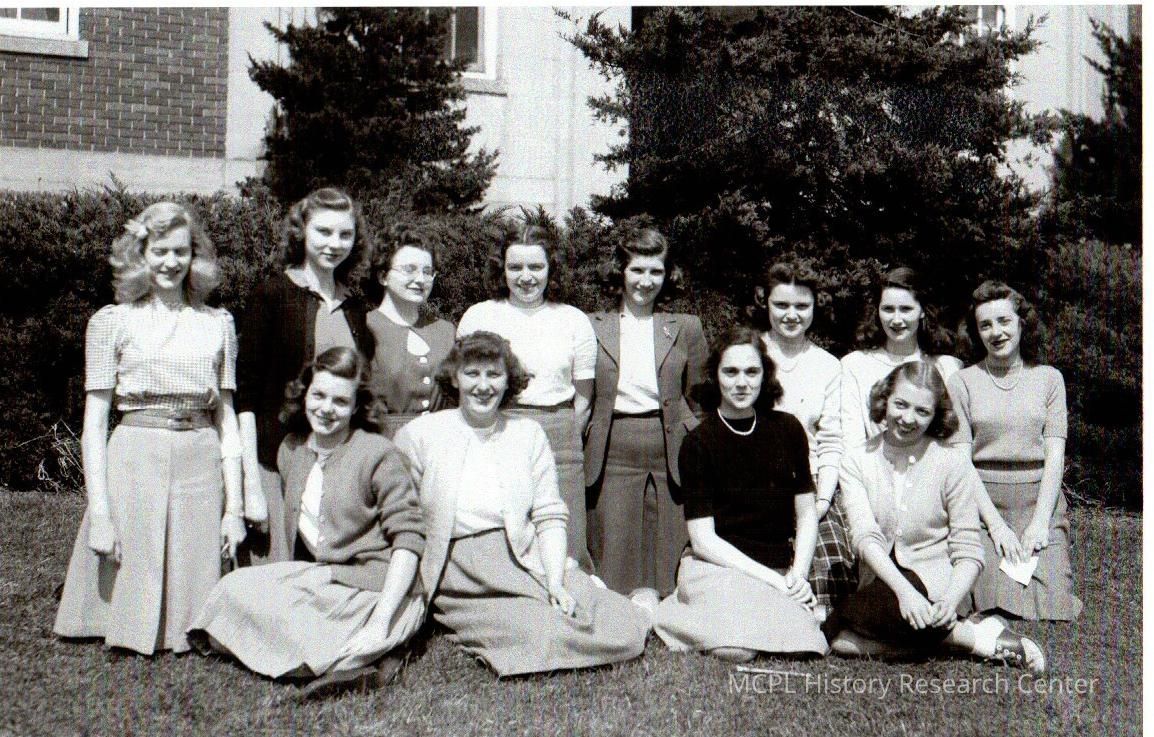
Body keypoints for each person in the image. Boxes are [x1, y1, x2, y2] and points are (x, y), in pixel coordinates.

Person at [393, 332, 649, 677]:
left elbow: (549, 515)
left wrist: (555, 581)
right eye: (472, 373)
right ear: (454, 377)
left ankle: (630, 610)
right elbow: (404, 523)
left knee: (608, 618)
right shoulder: (420, 434)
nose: (483, 386)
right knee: (540, 633)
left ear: (508, 380)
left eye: (494, 374)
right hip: (463, 572)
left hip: (525, 554)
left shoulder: (527, 433)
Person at [54, 202, 246, 654]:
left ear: (195, 256)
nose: (170, 262)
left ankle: (189, 626)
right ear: (140, 255)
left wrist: (234, 508)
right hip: (135, 455)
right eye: (160, 251)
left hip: (200, 452)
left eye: (181, 251)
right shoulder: (112, 322)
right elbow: (94, 424)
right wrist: (101, 513)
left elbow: (227, 417)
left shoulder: (218, 324)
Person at [191, 347, 425, 698]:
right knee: (232, 588)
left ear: (355, 407)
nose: (326, 409)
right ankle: (352, 657)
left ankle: (373, 649)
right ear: (304, 395)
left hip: (380, 585)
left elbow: (408, 539)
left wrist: (381, 620)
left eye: (340, 401)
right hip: (327, 576)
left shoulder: (378, 453)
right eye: (319, 396)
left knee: (295, 626)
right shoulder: (292, 449)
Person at [829, 361, 1045, 674]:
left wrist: (950, 599)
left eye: (922, 411)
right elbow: (865, 538)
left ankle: (942, 630)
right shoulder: (856, 460)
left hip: (938, 588)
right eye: (900, 404)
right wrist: (905, 593)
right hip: (882, 582)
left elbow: (968, 550)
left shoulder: (952, 462)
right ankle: (969, 637)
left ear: (935, 415)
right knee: (840, 641)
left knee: (843, 631)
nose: (907, 419)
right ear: (884, 400)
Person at [652, 327, 827, 662]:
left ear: (765, 375)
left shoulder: (788, 429)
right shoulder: (698, 442)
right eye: (730, 372)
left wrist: (797, 578)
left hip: (777, 567)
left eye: (751, 372)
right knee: (735, 649)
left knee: (805, 646)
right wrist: (774, 583)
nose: (742, 382)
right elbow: (703, 540)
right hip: (715, 567)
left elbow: (806, 514)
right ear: (715, 376)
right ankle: (667, 612)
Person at [235, 187, 376, 564]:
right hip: (275, 462)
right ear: (302, 233)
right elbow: (245, 398)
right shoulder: (272, 295)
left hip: (335, 466)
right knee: (276, 574)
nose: (334, 243)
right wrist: (251, 483)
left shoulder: (355, 306)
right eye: (323, 231)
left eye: (344, 234)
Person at [457, 223, 596, 571]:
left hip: (559, 436)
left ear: (551, 269)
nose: (526, 277)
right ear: (501, 270)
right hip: (497, 431)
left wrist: (562, 437)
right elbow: (465, 386)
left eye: (536, 266)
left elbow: (584, 399)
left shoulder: (574, 320)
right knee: (501, 530)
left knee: (563, 539)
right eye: (515, 267)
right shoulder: (480, 315)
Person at [584, 227, 707, 605]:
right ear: (620, 272)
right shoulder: (591, 325)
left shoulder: (686, 327)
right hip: (613, 446)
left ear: (667, 276)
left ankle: (669, 610)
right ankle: (616, 612)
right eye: (637, 270)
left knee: (668, 541)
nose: (646, 280)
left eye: (656, 271)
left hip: (670, 444)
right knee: (614, 541)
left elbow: (700, 396)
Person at [949, 281, 1082, 621]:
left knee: (1054, 606)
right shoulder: (962, 382)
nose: (996, 332)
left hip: (1039, 500)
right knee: (993, 598)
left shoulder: (1049, 379)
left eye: (1004, 321)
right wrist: (996, 527)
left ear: (1022, 323)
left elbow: (1055, 457)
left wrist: (1039, 523)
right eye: (985, 325)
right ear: (976, 332)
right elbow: (961, 463)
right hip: (982, 504)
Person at [757, 260, 854, 619]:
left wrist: (823, 500)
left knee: (833, 577)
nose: (791, 315)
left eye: (801, 306)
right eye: (781, 305)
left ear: (815, 307)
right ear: (765, 303)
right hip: (754, 483)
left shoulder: (828, 365)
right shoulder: (749, 354)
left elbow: (831, 441)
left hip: (811, 486)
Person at [840, 266, 962, 450]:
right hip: (872, 464)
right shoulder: (855, 365)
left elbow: (954, 439)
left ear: (922, 311)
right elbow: (852, 441)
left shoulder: (947, 366)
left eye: (906, 309)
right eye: (888, 309)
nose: (896, 320)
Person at [366, 221, 456, 438]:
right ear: (383, 276)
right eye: (409, 270)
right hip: (384, 441)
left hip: (441, 441)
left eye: (427, 271)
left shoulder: (446, 331)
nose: (420, 280)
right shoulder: (364, 327)